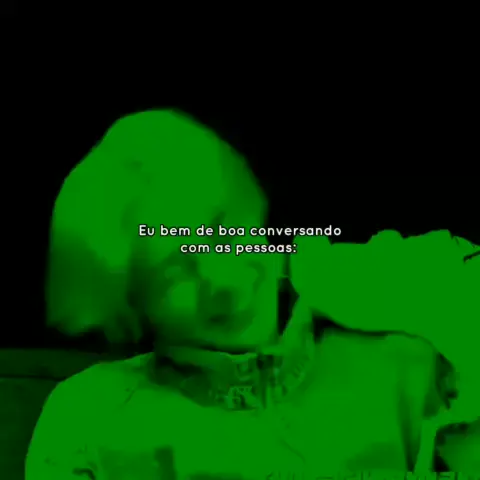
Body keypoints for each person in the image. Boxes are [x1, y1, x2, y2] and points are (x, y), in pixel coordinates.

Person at [26, 110, 479, 479]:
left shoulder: (412, 376)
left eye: (223, 230)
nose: (223, 281)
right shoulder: (87, 422)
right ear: (130, 303)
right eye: (173, 272)